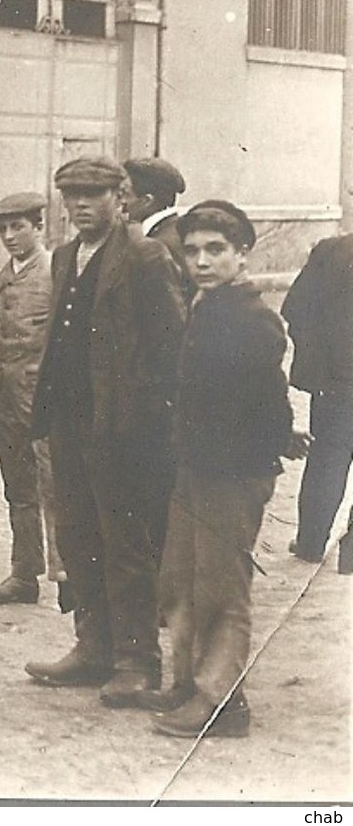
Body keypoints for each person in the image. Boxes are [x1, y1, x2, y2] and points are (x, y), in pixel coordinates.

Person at [24, 157, 185, 707]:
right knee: (78, 538)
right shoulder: (66, 257)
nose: (80, 206)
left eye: (93, 195)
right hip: (70, 422)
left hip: (122, 428)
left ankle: (137, 662)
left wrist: (150, 424)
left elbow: (170, 347)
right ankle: (92, 648)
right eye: (71, 198)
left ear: (120, 199)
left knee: (126, 545)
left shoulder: (146, 256)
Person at [146, 200, 304, 738]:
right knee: (178, 581)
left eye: (216, 250)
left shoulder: (254, 319)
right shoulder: (206, 307)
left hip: (231, 475)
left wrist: (274, 445)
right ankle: (189, 680)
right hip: (195, 469)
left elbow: (267, 400)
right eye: (192, 251)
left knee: (221, 589)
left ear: (242, 254)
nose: (202, 261)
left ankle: (223, 702)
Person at [0, 191, 67, 607]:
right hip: (6, 395)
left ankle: (70, 575)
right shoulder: (2, 275)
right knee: (19, 488)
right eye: (3, 229)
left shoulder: (55, 272)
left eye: (18, 227)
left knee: (56, 484)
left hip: (43, 396)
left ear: (38, 228)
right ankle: (23, 575)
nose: (10, 236)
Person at [280, 230, 353, 569]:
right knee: (327, 459)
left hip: (337, 384)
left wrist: (319, 362)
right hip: (337, 381)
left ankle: (311, 541)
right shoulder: (331, 249)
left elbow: (295, 308)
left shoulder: (332, 250)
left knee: (326, 459)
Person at [122, 157, 188, 280]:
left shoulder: (162, 245)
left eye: (124, 195)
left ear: (147, 201)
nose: (120, 202)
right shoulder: (173, 230)